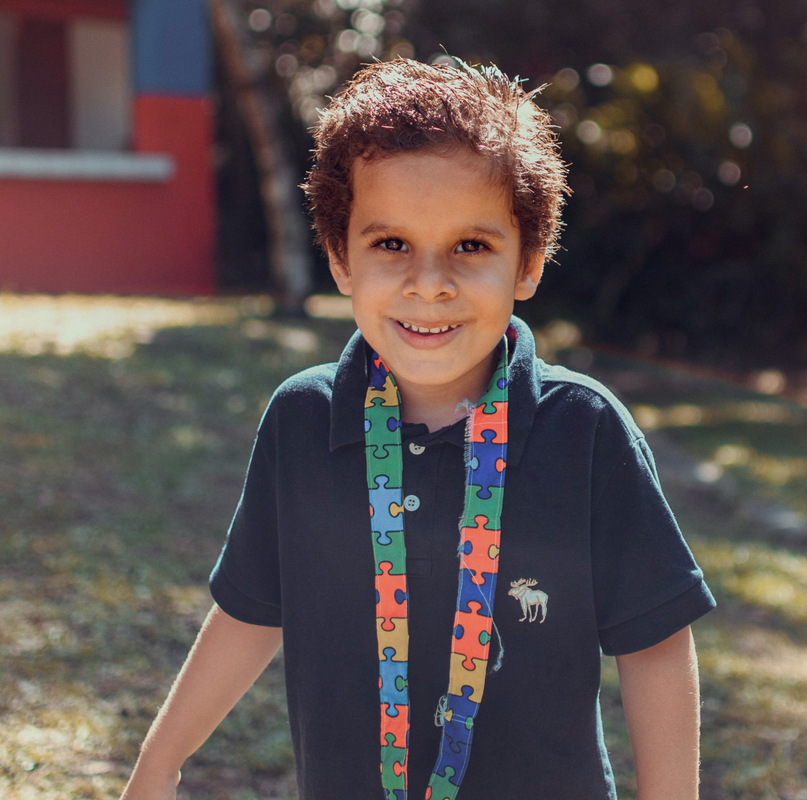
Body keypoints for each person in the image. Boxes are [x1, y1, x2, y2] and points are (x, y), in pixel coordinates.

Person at [122, 58, 715, 800]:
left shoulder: (586, 431)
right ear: (340, 258)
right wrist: (158, 765)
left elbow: (655, 645)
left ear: (527, 262)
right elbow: (248, 612)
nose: (428, 282)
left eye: (471, 246)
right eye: (391, 244)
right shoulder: (302, 423)